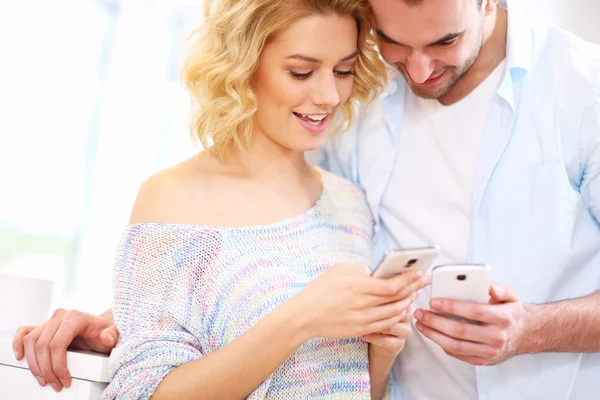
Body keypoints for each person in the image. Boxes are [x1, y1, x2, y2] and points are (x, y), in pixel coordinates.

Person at [14, 0, 600, 398]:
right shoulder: (357, 121)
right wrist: (132, 317)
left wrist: (528, 329)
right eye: (393, 43)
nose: (418, 70)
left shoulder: (580, 91)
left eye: (444, 41)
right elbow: (258, 257)